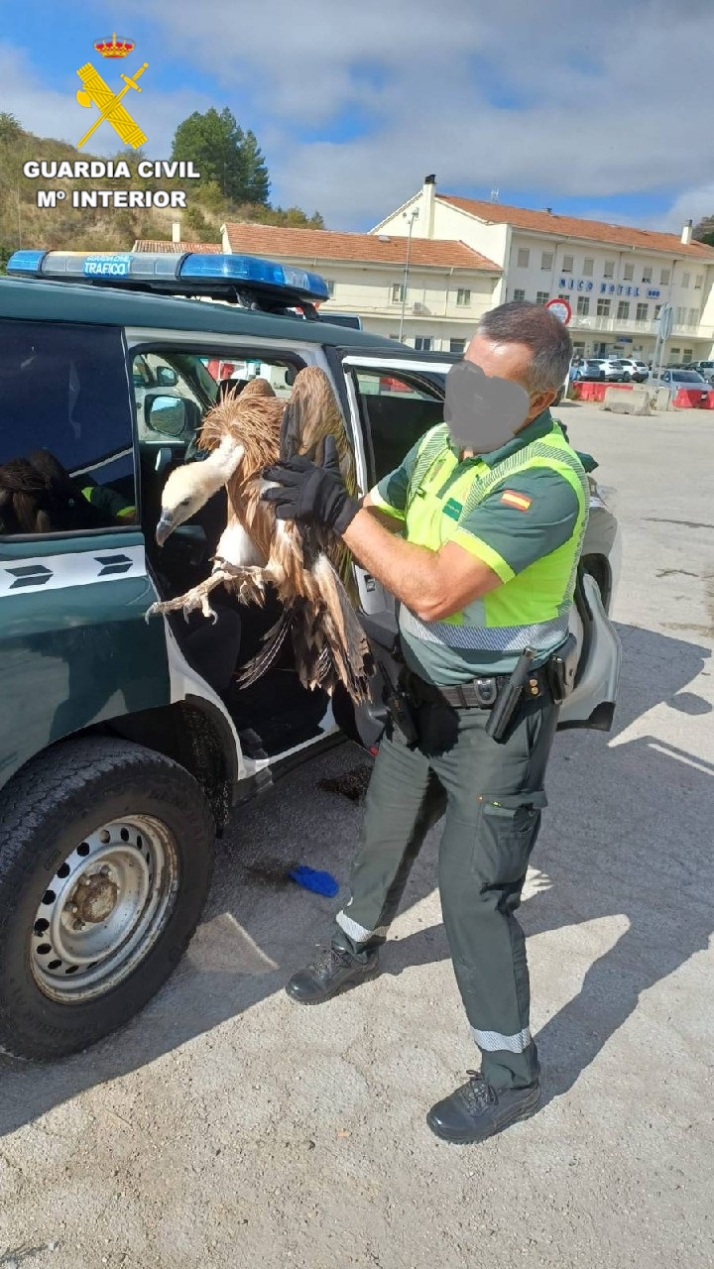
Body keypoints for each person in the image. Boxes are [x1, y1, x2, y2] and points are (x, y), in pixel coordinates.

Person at [261, 302, 589, 1145]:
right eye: (462, 375)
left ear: (540, 402)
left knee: (474, 895)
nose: (463, 397)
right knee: (383, 831)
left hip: (496, 722)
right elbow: (387, 519)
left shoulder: (546, 483)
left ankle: (511, 1071)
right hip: (420, 697)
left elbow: (438, 587)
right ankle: (356, 943)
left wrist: (336, 511)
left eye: (488, 387)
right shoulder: (445, 445)